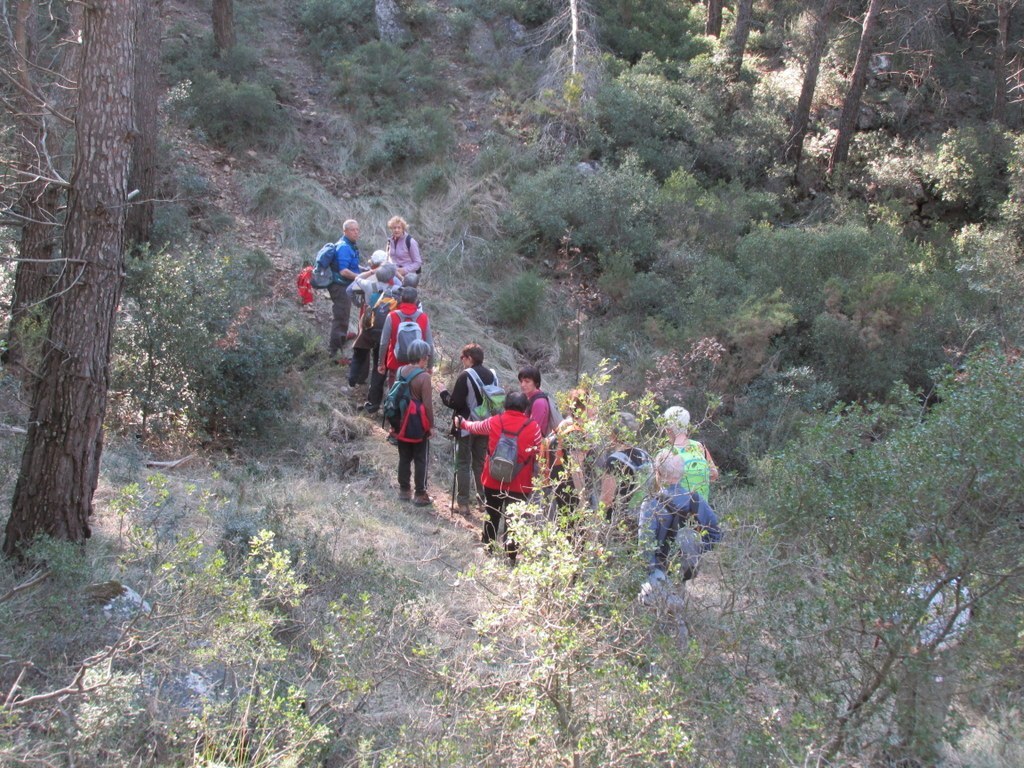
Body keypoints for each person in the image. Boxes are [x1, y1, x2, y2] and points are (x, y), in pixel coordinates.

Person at [889, 558, 972, 764]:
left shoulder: (957, 589)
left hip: (939, 660)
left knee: (930, 716)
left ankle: (926, 760)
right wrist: (886, 621)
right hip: (911, 656)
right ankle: (900, 758)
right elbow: (897, 616)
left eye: (934, 557)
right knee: (904, 708)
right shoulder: (917, 585)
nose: (926, 561)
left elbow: (958, 633)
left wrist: (928, 648)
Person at [457, 391, 542, 565]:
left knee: (492, 514)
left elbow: (475, 427)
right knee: (514, 520)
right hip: (520, 483)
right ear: (525, 408)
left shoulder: (496, 421)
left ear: (505, 405)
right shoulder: (534, 427)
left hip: (494, 479)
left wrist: (461, 422)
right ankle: (510, 557)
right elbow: (540, 451)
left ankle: (488, 549)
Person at [637, 452, 722, 623]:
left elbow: (645, 545)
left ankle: (667, 642)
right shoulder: (695, 499)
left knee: (660, 614)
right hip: (684, 566)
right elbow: (715, 534)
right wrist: (695, 550)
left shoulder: (650, 503)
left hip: (659, 569)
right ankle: (682, 641)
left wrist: (649, 571)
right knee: (678, 608)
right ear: (682, 474)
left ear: (658, 474)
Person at [440, 343, 497, 515]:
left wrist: (443, 393)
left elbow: (454, 403)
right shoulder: (493, 375)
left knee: (463, 463)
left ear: (470, 358)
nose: (462, 361)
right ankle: (483, 502)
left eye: (463, 357)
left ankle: (463, 504)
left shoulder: (466, 375)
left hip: (466, 426)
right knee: (480, 464)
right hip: (486, 426)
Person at [393, 339, 435, 507]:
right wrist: (431, 426)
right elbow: (427, 405)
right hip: (418, 425)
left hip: (401, 423)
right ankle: (420, 494)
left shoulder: (400, 370)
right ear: (423, 357)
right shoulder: (424, 377)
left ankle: (404, 491)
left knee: (404, 458)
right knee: (420, 459)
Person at [348, 261, 400, 392]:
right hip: (384, 327)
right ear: (391, 278)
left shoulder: (369, 285)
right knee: (379, 360)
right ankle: (374, 393)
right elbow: (409, 287)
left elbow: (357, 278)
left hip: (367, 322)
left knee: (359, 352)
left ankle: (352, 380)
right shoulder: (395, 290)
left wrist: (371, 272)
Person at [597, 411, 653, 525]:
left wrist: (596, 519)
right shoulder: (644, 455)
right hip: (643, 516)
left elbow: (607, 499)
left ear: (613, 435)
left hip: (619, 520)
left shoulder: (613, 461)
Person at [318, 219, 362, 364]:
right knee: (341, 317)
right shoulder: (344, 247)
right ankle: (334, 354)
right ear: (345, 231)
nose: (356, 232)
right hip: (340, 286)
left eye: (357, 229)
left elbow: (351, 266)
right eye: (352, 230)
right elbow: (344, 271)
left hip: (343, 285)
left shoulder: (350, 245)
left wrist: (365, 270)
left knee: (344, 314)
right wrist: (362, 277)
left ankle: (341, 338)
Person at [657, 405, 719, 502]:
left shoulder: (665, 454)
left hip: (677, 511)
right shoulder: (700, 447)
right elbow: (714, 474)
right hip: (702, 511)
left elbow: (658, 487)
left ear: (668, 428)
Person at [377, 287, 434, 385]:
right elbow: (430, 344)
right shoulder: (423, 317)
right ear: (416, 300)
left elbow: (384, 343)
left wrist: (381, 363)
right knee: (412, 397)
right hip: (416, 366)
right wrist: (429, 366)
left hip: (395, 363)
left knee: (394, 395)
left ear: (401, 299)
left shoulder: (392, 316)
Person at [518, 365, 560, 436]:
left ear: (536, 383)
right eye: (521, 381)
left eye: (527, 381)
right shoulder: (530, 398)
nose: (522, 384)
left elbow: (534, 430)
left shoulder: (539, 403)